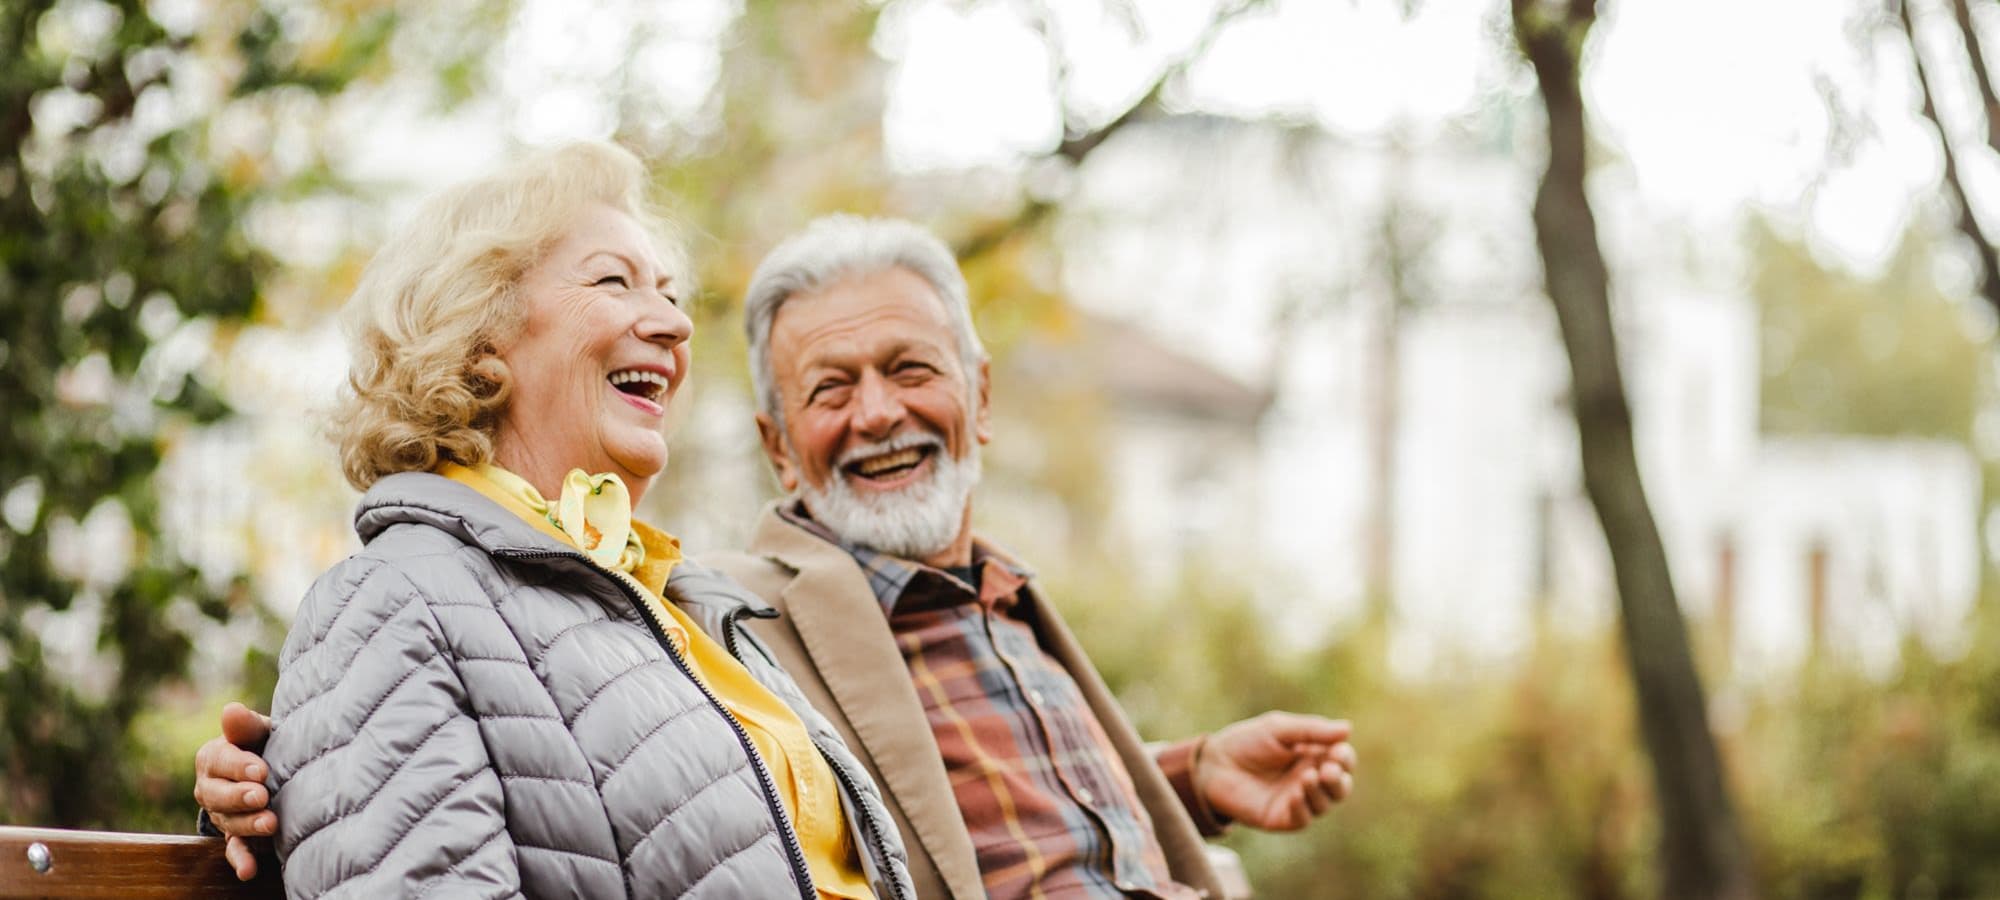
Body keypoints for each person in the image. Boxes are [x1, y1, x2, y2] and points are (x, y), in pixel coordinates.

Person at [199, 214, 1355, 899]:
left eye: (910, 371)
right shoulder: (723, 617)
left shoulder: (1007, 598)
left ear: (979, 396)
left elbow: (966, 792)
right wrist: (262, 777)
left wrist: (1191, 778)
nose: (876, 417)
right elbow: (440, 716)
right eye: (828, 389)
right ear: (773, 444)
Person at [233, 144, 911, 899]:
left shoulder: (675, 601)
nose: (674, 326)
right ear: (481, 336)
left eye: (669, 292)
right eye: (614, 281)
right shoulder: (387, 601)